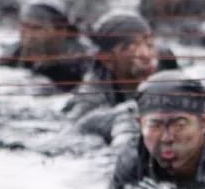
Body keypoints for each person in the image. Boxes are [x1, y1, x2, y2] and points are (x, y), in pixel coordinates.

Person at [62, 11, 177, 141]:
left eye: (149, 43)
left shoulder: (164, 59)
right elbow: (72, 133)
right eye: (132, 48)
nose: (146, 54)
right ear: (107, 60)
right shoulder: (91, 97)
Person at [0, 1, 90, 90]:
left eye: (36, 28)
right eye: (24, 26)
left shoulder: (78, 62)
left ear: (61, 31)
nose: (28, 34)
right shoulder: (14, 53)